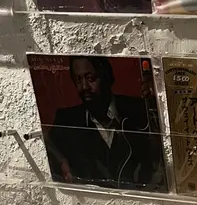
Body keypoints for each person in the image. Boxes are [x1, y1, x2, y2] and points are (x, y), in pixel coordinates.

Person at [46, 56, 166, 192]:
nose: (84, 87)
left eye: (90, 78)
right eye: (78, 80)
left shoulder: (141, 110)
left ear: (107, 76)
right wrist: (61, 161)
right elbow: (51, 151)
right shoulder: (66, 120)